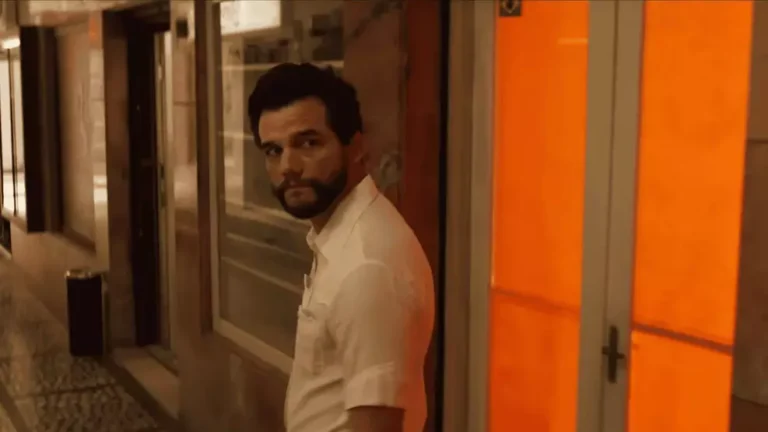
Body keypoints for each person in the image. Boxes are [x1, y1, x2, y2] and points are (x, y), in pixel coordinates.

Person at [247, 63, 434, 432]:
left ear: (357, 147)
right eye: (273, 150)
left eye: (308, 143)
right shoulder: (342, 239)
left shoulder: (367, 267)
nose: (288, 167)